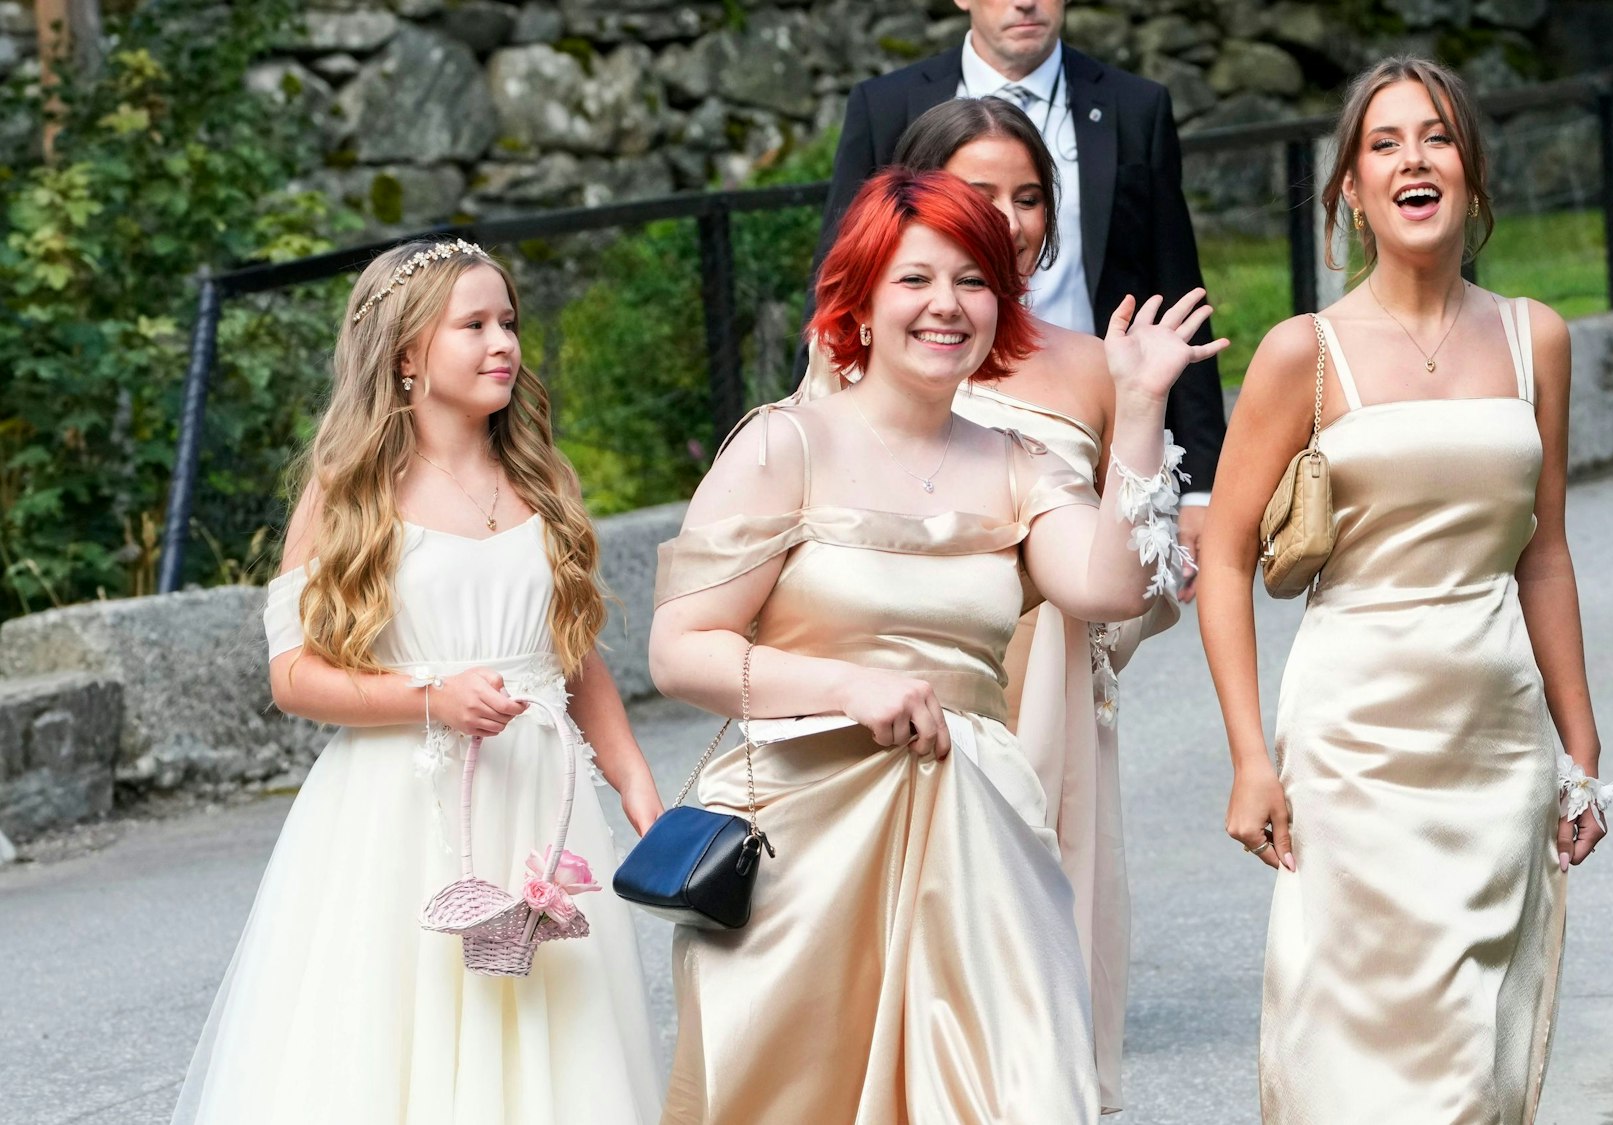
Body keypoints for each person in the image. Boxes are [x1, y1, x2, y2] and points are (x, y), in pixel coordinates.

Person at [651, 168, 1224, 1123]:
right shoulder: (780, 447)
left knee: (1022, 1091)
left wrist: (1139, 407)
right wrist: (846, 685)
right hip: (803, 854)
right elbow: (681, 651)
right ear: (861, 303)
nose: (946, 306)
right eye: (915, 279)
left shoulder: (1019, 466)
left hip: (979, 846)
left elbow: (1111, 584)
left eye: (974, 281)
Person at [1194, 58, 1613, 1123]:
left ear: (1471, 174)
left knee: (1472, 1056)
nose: (1411, 159)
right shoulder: (1306, 353)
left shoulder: (1536, 339)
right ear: (1348, 188)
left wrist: (1580, 745)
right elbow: (1222, 558)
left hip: (1493, 740)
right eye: (1382, 144)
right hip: (1349, 743)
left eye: (1434, 137)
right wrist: (1250, 756)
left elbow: (1544, 552)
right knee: (1353, 1037)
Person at [172, 239, 666, 1125]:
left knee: (555, 1038)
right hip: (403, 811)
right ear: (407, 355)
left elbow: (573, 652)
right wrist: (430, 697)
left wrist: (632, 777)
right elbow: (292, 674)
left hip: (540, 802)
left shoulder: (544, 480)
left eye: (508, 322)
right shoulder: (349, 490)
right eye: (472, 325)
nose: (503, 342)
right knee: (405, 1034)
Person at [894, 94, 1177, 1113]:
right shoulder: (853, 352)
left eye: (1028, 197)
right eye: (979, 193)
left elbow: (1133, 561)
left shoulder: (1088, 365)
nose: (1008, 219)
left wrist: (1142, 419)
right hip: (905, 684)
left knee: (1040, 961)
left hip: (1048, 688)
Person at [808, 0, 1226, 591]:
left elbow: (1177, 288)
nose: (1006, 222)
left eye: (1029, 200)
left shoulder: (1135, 107)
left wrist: (1201, 483)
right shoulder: (888, 105)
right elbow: (844, 265)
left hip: (1079, 415)